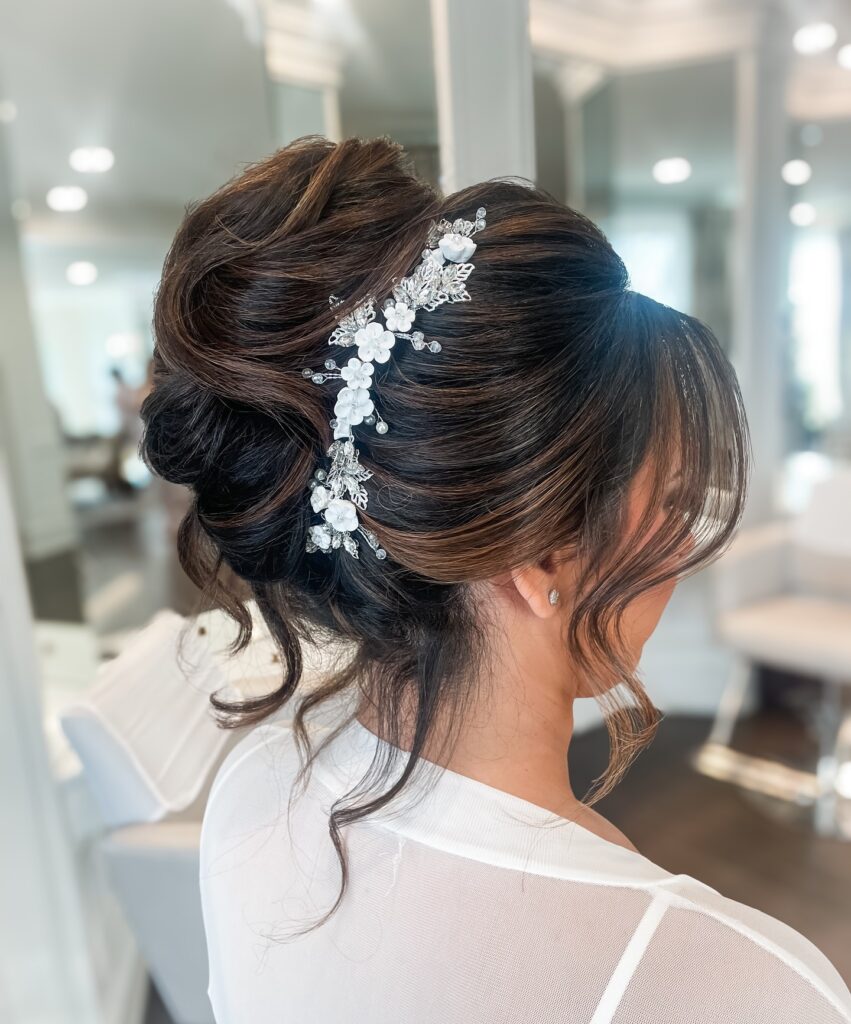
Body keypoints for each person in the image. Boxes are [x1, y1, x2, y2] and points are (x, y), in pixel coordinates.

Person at [139, 136, 851, 1023]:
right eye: (668, 502)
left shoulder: (256, 788)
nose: (681, 549)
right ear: (543, 553)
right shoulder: (742, 989)